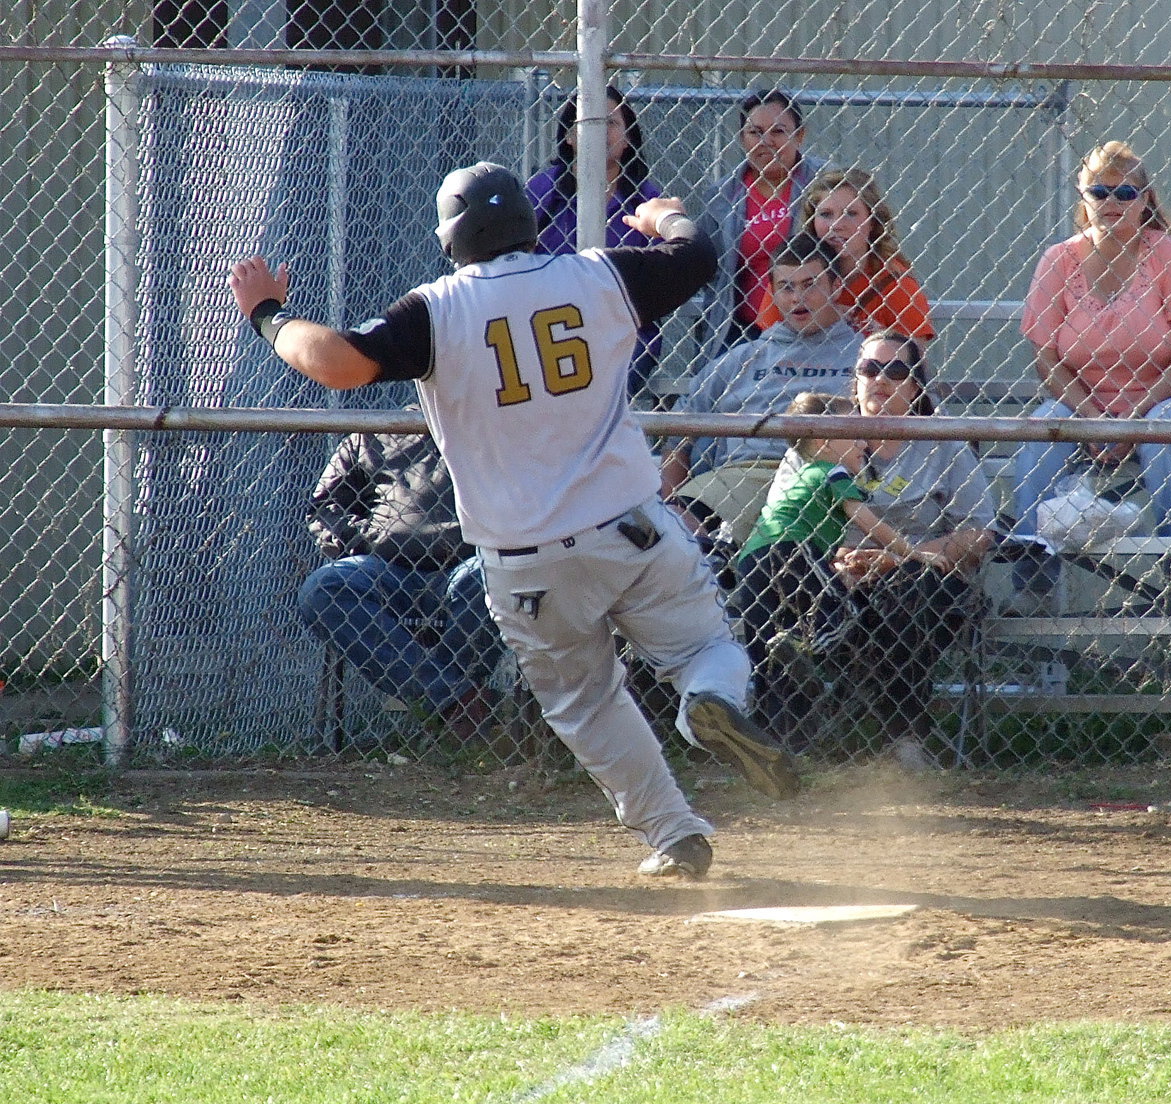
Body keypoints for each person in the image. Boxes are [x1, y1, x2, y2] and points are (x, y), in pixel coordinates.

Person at [230, 161, 799, 882]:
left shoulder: (437, 309)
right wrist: (666, 220)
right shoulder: (599, 276)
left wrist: (267, 313)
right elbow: (702, 256)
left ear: (451, 237)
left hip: (523, 558)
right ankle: (708, 704)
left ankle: (674, 832)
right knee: (702, 649)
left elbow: (338, 363)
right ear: (529, 225)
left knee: (586, 704)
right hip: (630, 527)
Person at [763, 332, 994, 769]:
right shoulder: (819, 439)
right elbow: (784, 521)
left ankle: (898, 741)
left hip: (920, 578)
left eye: (896, 370)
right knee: (786, 569)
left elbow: (980, 533)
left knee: (909, 591)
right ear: (855, 380)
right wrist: (835, 558)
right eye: (870, 368)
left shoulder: (943, 444)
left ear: (915, 385)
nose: (881, 379)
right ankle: (793, 745)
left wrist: (904, 556)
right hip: (833, 573)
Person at [1012, 140, 1171, 604]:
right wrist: (1092, 418)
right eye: (1099, 192)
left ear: (1145, 200)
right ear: (1083, 199)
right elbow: (1047, 359)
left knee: (1169, 429)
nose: (1111, 202)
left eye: (1125, 193)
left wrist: (1132, 420)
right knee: (1038, 433)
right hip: (1081, 401)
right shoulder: (1059, 260)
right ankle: (1031, 566)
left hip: (1161, 397)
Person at [731, 392, 950, 720]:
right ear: (823, 438)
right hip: (792, 549)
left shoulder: (806, 475)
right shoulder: (832, 473)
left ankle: (773, 726)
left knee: (766, 649)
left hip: (753, 559)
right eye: (854, 433)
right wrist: (914, 553)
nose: (863, 443)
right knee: (844, 609)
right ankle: (810, 652)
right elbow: (868, 522)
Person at [297, 421, 505, 743]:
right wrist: (370, 540)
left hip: (467, 564)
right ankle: (455, 703)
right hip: (386, 569)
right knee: (323, 589)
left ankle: (449, 716)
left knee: (492, 574)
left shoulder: (487, 423)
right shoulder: (375, 432)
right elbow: (325, 507)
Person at [659, 233, 861, 503]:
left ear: (835, 286)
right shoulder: (743, 358)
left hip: (828, 477)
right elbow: (677, 438)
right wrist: (669, 504)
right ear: (773, 292)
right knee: (673, 524)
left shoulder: (864, 358)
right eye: (786, 287)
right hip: (744, 476)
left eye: (810, 285)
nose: (797, 298)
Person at [525, 86, 664, 400]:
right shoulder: (543, 188)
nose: (599, 131)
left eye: (610, 123)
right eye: (587, 122)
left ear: (628, 138)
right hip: (547, 321)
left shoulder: (646, 197)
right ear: (569, 137)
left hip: (622, 328)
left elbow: (660, 276)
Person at [696, 89, 827, 361]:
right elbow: (709, 268)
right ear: (742, 139)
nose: (766, 141)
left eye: (778, 132)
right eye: (755, 132)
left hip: (812, 325)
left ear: (800, 135)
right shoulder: (722, 196)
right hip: (740, 329)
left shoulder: (824, 183)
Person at [757, 167, 935, 345]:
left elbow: (915, 364)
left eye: (851, 213)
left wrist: (878, 336)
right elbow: (766, 349)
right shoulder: (792, 272)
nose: (836, 225)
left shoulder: (894, 282)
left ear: (872, 221)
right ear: (813, 222)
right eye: (826, 214)